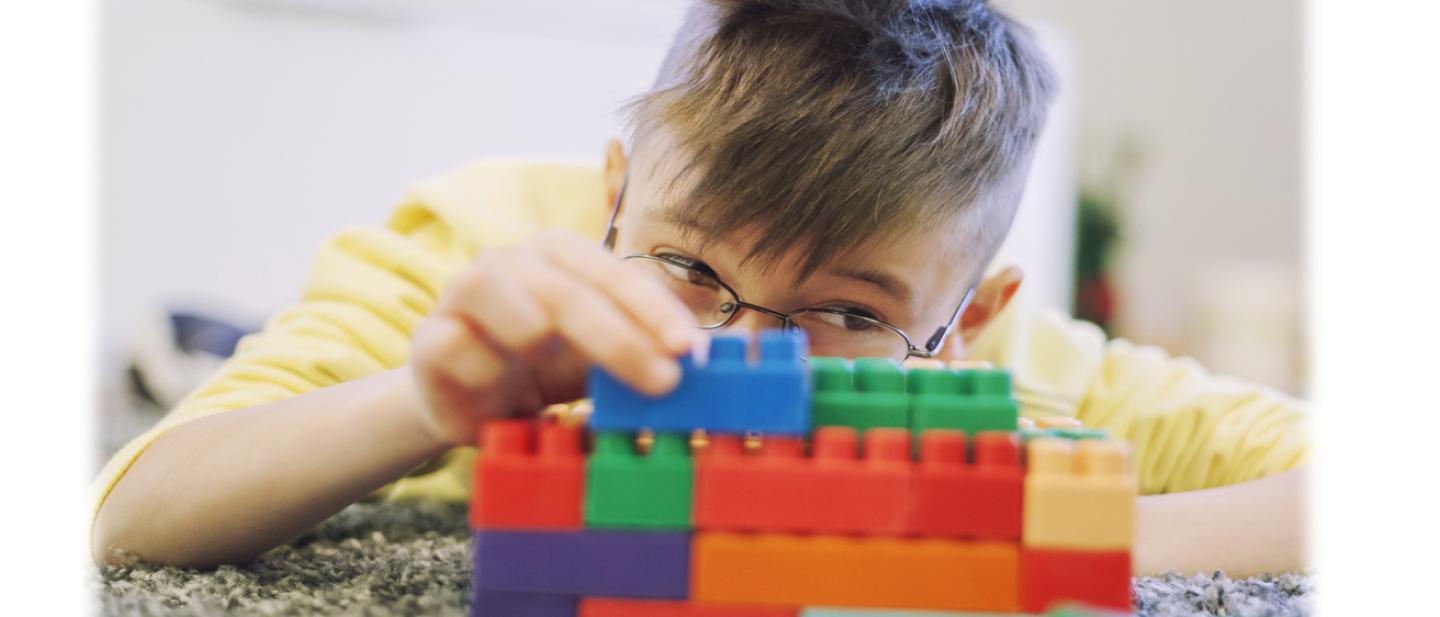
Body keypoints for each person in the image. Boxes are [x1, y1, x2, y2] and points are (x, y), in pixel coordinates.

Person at [91, 0, 1308, 576]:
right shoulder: (473, 242)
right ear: (611, 198)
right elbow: (133, 517)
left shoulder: (1011, 363)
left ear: (966, 317)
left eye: (847, 313)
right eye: (688, 269)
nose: (732, 353)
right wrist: (421, 404)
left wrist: (1053, 538)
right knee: (220, 364)